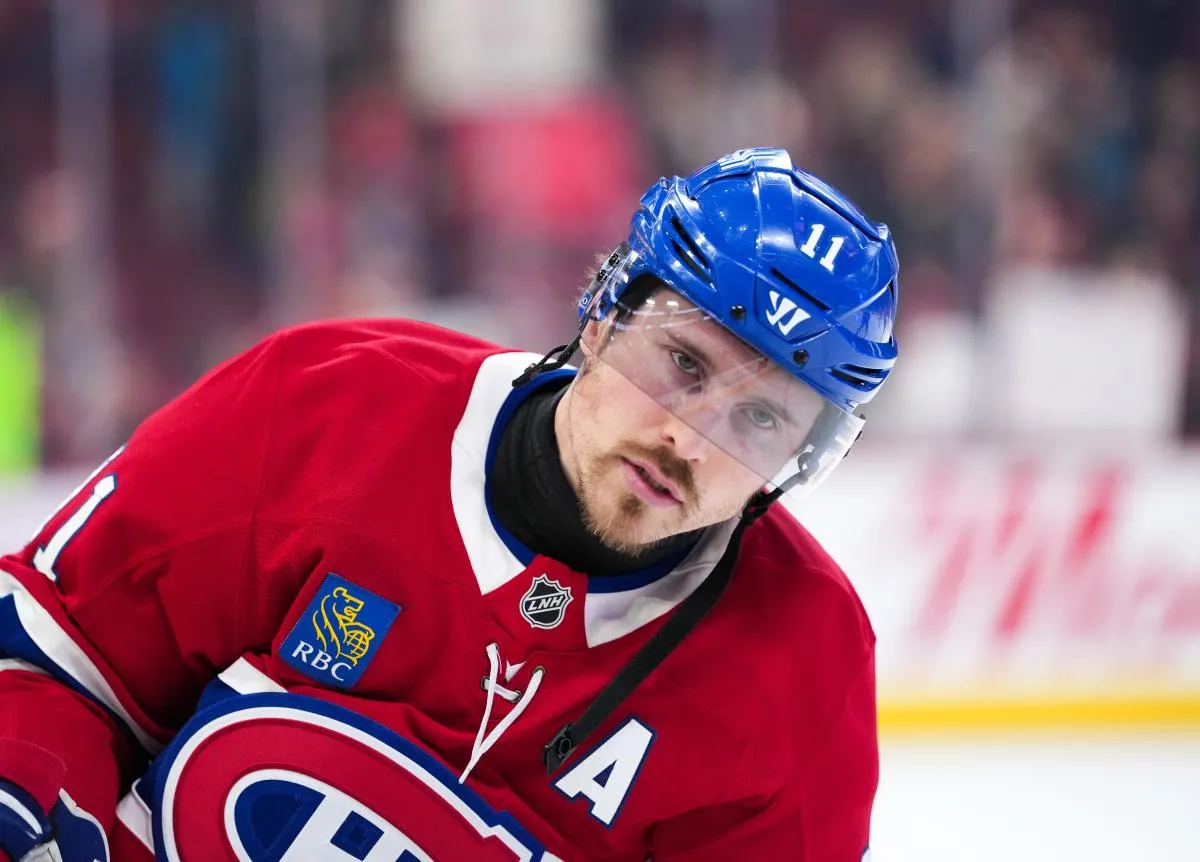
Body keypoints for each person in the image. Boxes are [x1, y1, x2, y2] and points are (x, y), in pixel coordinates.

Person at [0, 147, 898, 862]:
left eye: (759, 421)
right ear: (602, 313)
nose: (691, 442)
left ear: (800, 459)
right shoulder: (320, 409)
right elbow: (52, 666)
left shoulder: (802, 672)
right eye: (685, 365)